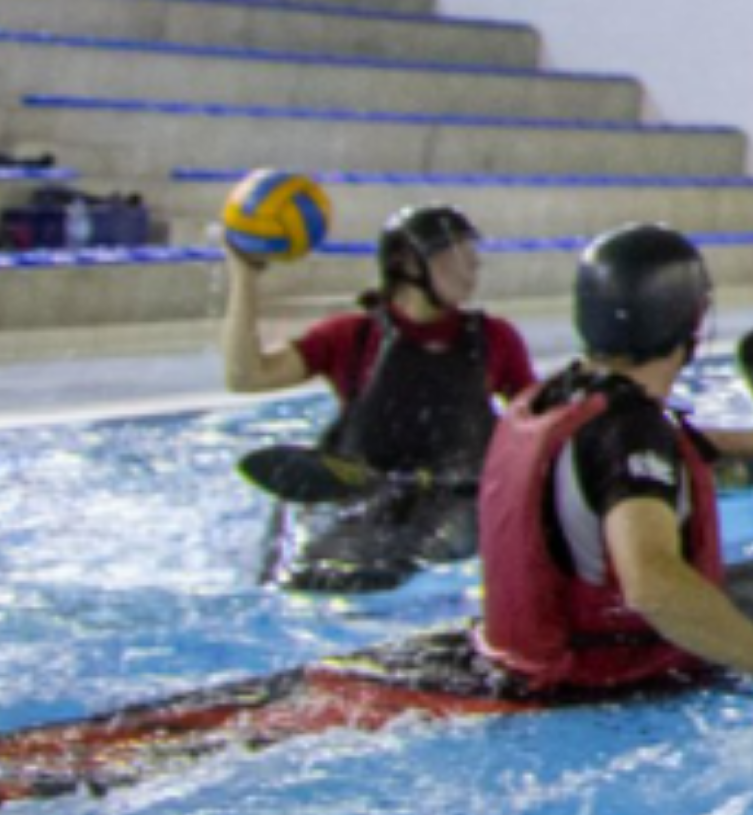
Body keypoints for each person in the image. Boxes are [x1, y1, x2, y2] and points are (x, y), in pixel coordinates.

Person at [470, 225, 753, 693]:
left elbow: (623, 460)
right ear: (688, 322)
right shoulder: (630, 430)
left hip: (514, 660)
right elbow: (653, 587)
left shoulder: (554, 398)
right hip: (593, 688)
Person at [222, 206, 535, 589]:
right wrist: (244, 275)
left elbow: (534, 425)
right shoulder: (351, 337)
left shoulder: (497, 339)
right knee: (312, 575)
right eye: (456, 258)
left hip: (456, 500)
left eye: (473, 258)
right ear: (407, 264)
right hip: (360, 491)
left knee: (426, 558)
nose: (472, 269)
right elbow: (246, 376)